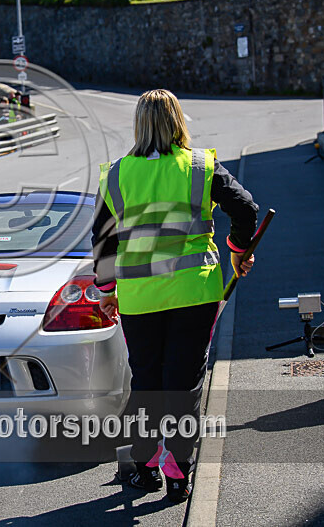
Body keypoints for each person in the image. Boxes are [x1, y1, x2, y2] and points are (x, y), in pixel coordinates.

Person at [92, 89, 258, 503]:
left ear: (139, 125)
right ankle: (178, 473)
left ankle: (146, 466)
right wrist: (238, 253)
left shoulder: (115, 174)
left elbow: (102, 242)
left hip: (140, 297)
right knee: (183, 385)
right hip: (194, 292)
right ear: (178, 121)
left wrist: (108, 292)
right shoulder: (200, 166)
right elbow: (246, 208)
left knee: (147, 382)